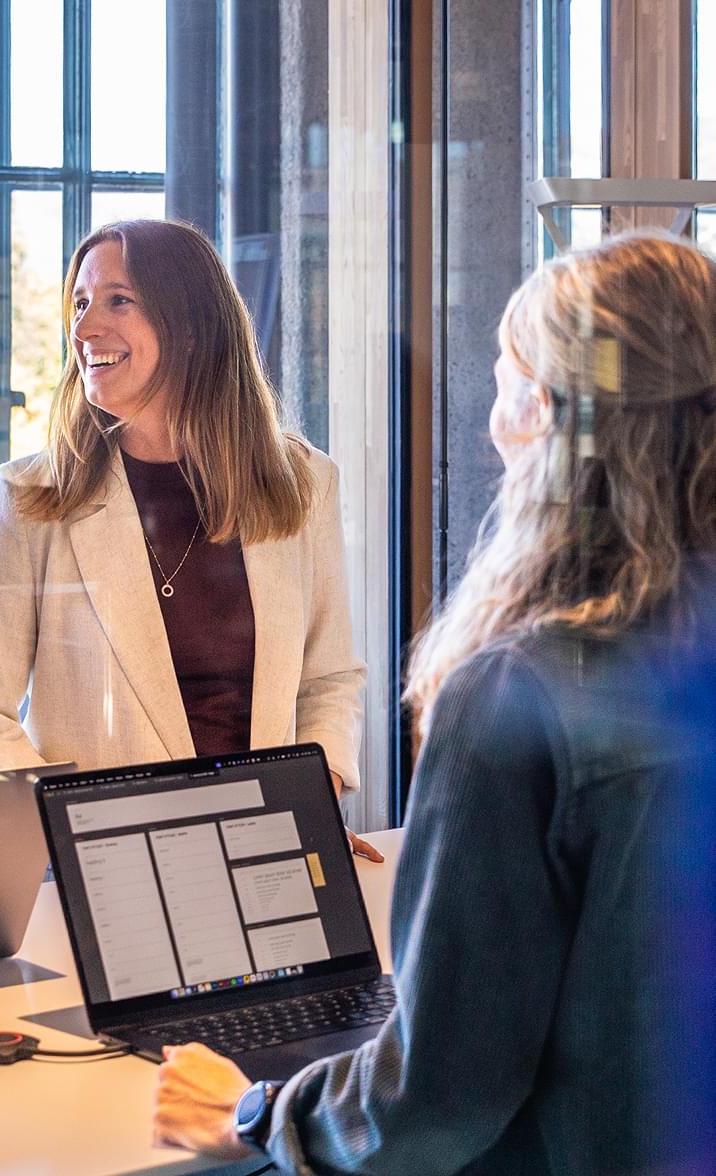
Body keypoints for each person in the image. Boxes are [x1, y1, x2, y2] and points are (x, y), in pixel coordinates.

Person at [152, 230, 716, 1173]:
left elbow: (440, 1096)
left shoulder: (518, 693)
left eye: (504, 380)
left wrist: (255, 1114)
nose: (493, 417)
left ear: (541, 411)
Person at [0, 218, 380, 861]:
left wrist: (310, 806)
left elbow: (329, 677)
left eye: (119, 299)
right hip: (104, 870)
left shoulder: (304, 482)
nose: (85, 329)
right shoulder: (31, 498)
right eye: (81, 303)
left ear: (193, 324)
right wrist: (76, 835)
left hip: (266, 852)